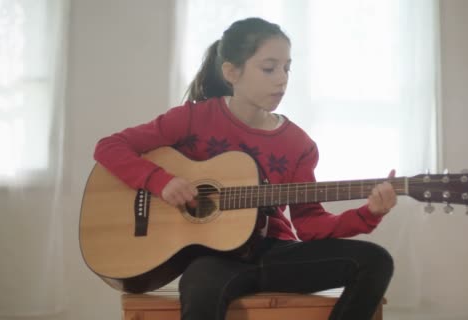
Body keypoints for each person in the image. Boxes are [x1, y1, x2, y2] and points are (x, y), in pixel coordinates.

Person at [94, 17, 396, 320]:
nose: (282, 79)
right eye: (269, 68)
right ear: (231, 72)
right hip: (214, 260)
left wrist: (367, 214)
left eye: (287, 68)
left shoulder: (299, 143)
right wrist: (161, 181)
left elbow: (310, 224)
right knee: (200, 287)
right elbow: (109, 147)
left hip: (276, 254)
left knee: (376, 261)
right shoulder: (193, 118)